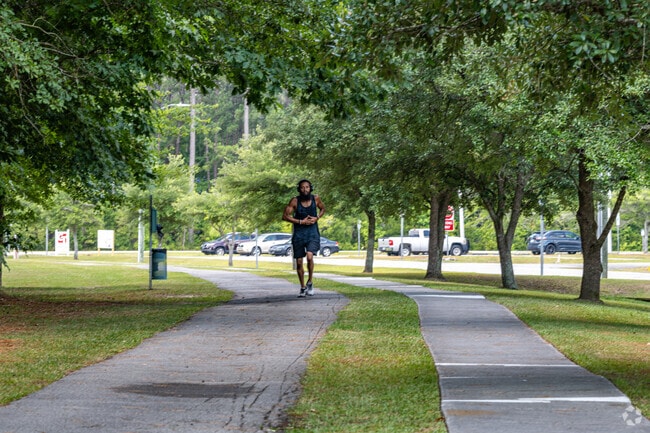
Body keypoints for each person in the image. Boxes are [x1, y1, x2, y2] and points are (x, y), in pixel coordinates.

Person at [282, 179, 326, 297]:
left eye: (307, 187)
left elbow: (323, 209)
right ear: (299, 189)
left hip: (312, 233)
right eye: (302, 187)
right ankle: (302, 286)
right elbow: (285, 216)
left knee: (310, 256)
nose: (305, 189)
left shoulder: (315, 199)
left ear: (310, 188)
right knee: (299, 262)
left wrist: (317, 218)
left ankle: (310, 282)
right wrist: (300, 221)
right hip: (299, 234)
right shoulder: (295, 201)